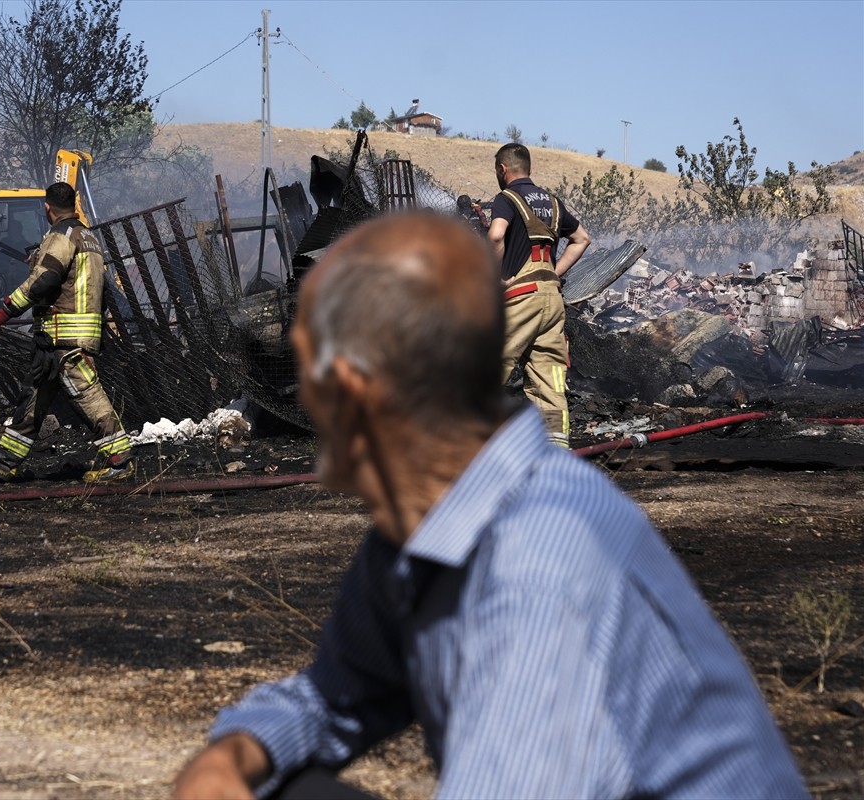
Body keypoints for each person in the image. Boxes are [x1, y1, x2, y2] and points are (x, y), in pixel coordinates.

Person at [174, 210, 807, 800]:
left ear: (356, 392)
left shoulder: (538, 562)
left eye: (311, 377)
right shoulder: (421, 526)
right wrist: (230, 755)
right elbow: (335, 696)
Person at [0, 182, 133, 483]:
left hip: (65, 336)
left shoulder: (61, 237)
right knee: (33, 398)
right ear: (74, 204)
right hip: (57, 338)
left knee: (87, 396)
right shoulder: (89, 237)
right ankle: (5, 462)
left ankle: (120, 461)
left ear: (47, 208)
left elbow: (44, 279)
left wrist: (5, 311)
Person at [488, 142, 590, 447]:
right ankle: (556, 449)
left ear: (502, 169)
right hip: (552, 300)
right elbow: (582, 238)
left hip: (522, 297)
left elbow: (495, 235)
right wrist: (552, 274)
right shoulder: (553, 202)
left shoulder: (507, 198)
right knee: (550, 380)